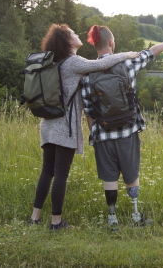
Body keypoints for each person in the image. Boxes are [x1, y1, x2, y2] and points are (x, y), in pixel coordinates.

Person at [28, 24, 139, 230]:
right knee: (61, 173)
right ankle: (56, 222)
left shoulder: (55, 61)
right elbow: (101, 65)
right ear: (68, 41)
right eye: (73, 34)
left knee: (47, 172)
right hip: (64, 127)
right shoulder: (73, 62)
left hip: (48, 124)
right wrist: (125, 55)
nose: (77, 35)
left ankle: (35, 217)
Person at [81, 25, 163, 229]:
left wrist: (95, 135)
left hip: (103, 132)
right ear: (111, 43)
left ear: (95, 46)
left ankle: (112, 219)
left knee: (109, 176)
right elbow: (152, 51)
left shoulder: (87, 73)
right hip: (128, 130)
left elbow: (88, 110)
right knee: (131, 173)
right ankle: (136, 217)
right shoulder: (127, 63)